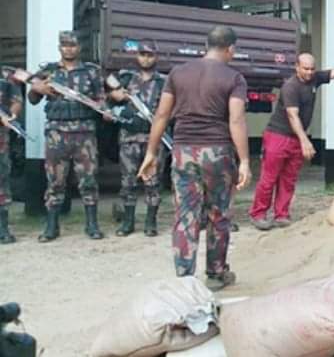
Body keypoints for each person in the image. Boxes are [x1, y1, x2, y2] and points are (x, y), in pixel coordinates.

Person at [138, 25, 251, 291]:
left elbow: (162, 116)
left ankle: (184, 278)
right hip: (217, 151)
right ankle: (215, 273)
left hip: (182, 150)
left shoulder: (178, 73)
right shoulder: (234, 78)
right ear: (230, 49)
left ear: (207, 45)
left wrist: (151, 152)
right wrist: (245, 160)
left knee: (185, 214)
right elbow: (236, 120)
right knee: (218, 214)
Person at [249, 53, 334, 230]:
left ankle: (282, 214)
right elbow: (292, 115)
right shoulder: (290, 87)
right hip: (278, 136)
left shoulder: (314, 79)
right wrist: (305, 141)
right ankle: (258, 214)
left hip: (296, 138)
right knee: (269, 178)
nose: (310, 72)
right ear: (297, 67)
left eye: (312, 69)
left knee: (289, 179)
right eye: (305, 69)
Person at [28, 31, 107, 242]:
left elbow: (101, 101)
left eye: (72, 45)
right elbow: (33, 99)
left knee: (88, 180)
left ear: (79, 47)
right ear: (59, 47)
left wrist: (106, 111)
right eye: (65, 45)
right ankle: (51, 227)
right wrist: (39, 88)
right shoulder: (48, 72)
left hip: (84, 135)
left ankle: (92, 225)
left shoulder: (91, 72)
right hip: (57, 134)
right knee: (55, 182)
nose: (69, 49)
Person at [107, 40, 167, 237]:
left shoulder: (163, 82)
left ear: (156, 57)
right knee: (128, 182)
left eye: (150, 55)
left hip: (154, 139)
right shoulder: (125, 79)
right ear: (137, 56)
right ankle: (128, 221)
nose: (146, 58)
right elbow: (107, 96)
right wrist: (115, 96)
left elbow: (171, 109)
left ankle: (150, 222)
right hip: (129, 138)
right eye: (143, 54)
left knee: (153, 182)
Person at [0, 67, 23, 244]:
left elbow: (16, 101)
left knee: (1, 181)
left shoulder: (6, 75)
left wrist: (11, 115)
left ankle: (2, 228)